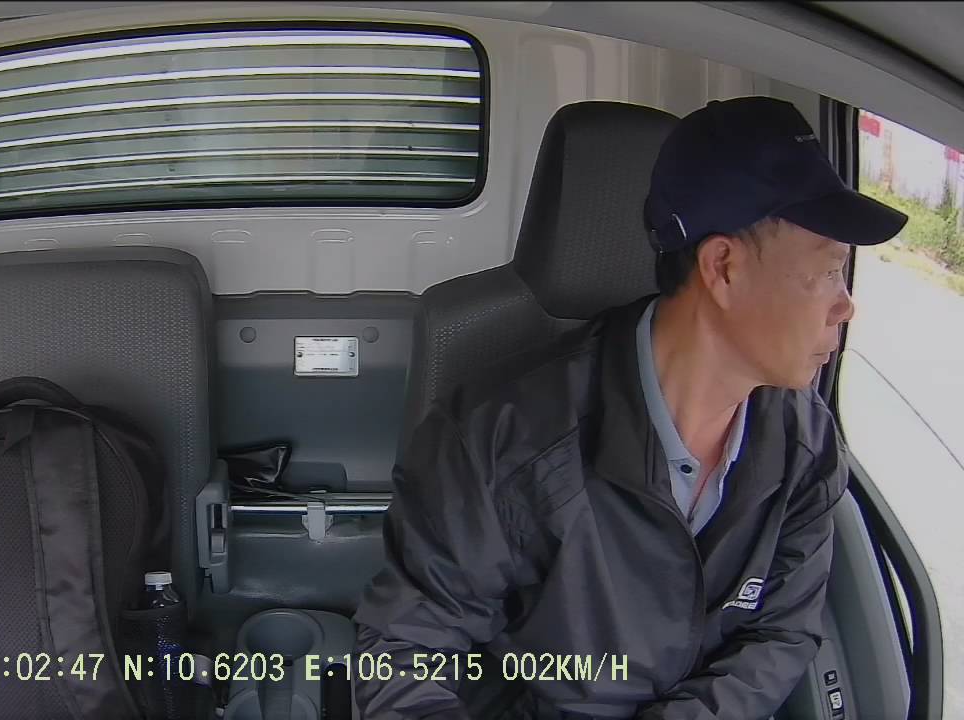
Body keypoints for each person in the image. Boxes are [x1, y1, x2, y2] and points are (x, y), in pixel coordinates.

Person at [352, 96, 908, 719]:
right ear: (723, 267)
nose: (846, 305)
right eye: (827, 273)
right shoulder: (499, 438)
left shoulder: (805, 444)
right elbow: (404, 656)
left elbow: (778, 635)